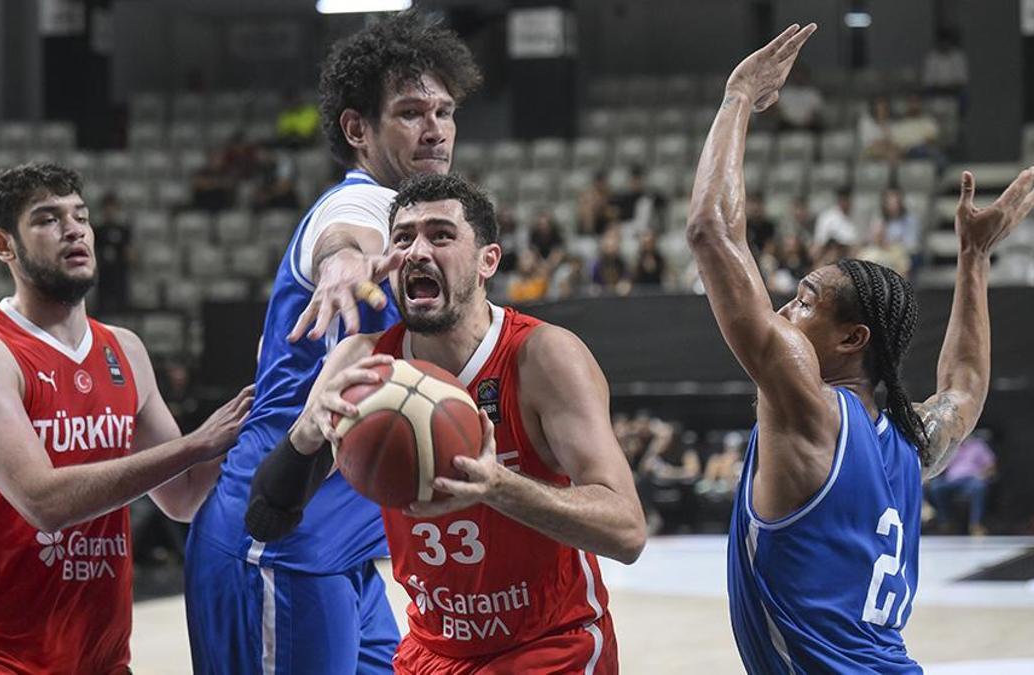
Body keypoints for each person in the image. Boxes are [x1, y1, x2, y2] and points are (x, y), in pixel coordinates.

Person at [688, 23, 1034, 672]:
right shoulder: (910, 438)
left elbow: (711, 231)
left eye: (806, 300)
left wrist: (738, 98)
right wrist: (973, 257)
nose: (785, 311)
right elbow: (963, 385)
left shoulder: (809, 409)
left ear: (852, 339)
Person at [247, 172, 645, 673]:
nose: (416, 250)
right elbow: (265, 520)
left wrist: (497, 486)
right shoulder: (365, 364)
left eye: (440, 235)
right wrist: (307, 432)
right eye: (403, 237)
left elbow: (627, 531)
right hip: (432, 651)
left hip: (550, 645)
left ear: (487, 262)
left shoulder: (543, 357)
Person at [184, 11, 482, 674]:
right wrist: (344, 264)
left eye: (444, 110)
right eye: (410, 111)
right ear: (358, 129)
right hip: (275, 544)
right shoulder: (362, 207)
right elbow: (344, 240)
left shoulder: (418, 225)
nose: (435, 127)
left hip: (340, 552)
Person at [0, 163, 254, 674]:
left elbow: (183, 497)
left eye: (81, 216)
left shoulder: (126, 351)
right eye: (48, 219)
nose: (73, 230)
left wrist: (284, 417)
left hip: (97, 654)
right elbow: (43, 501)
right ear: (4, 245)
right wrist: (196, 444)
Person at [926, 431, 996, 536]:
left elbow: (991, 467)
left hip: (970, 480)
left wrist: (982, 476)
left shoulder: (978, 445)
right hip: (951, 481)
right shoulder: (951, 447)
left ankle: (975, 524)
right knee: (935, 486)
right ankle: (945, 522)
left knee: (979, 487)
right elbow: (939, 466)